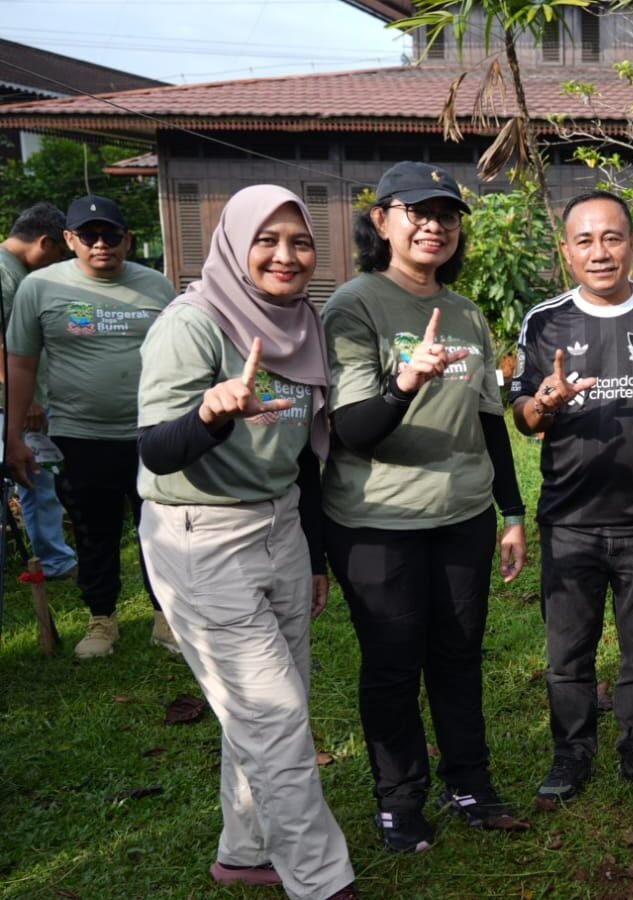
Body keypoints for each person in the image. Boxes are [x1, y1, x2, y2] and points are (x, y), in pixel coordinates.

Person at [136, 185, 357, 900]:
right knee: (277, 717)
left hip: (281, 524)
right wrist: (210, 410)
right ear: (233, 243)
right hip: (202, 538)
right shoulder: (192, 324)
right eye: (267, 240)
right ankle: (323, 883)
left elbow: (302, 455)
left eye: (299, 241)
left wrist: (314, 555)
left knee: (266, 706)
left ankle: (245, 849)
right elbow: (157, 449)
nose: (285, 256)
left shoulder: (301, 324)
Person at [321, 161, 528, 852]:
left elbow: (490, 420)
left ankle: (470, 782)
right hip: (378, 523)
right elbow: (352, 428)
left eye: (446, 213)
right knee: (392, 662)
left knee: (458, 654)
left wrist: (512, 512)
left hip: (462, 516)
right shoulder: (354, 305)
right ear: (381, 220)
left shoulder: (467, 312)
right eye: (417, 210)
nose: (434, 224)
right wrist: (405, 382)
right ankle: (399, 801)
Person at [508, 190, 633, 802]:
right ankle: (571, 751)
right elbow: (523, 416)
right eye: (585, 240)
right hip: (569, 518)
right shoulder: (544, 320)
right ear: (566, 252)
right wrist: (543, 405)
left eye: (612, 237)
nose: (600, 252)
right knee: (567, 650)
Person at [5, 194, 177, 658]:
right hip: (79, 435)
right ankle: (102, 619)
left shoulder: (158, 286)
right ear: (68, 239)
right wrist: (13, 435)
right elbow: (20, 364)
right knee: (93, 530)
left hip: (152, 433)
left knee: (161, 529)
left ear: (128, 238)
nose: (101, 244)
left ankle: (166, 617)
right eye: (88, 235)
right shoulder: (39, 288)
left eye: (111, 234)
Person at [0, 202, 76, 580]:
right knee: (33, 474)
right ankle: (55, 561)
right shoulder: (5, 273)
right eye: (59, 255)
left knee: (37, 476)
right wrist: (24, 398)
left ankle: (54, 559)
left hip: (14, 400)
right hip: (10, 403)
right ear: (45, 243)